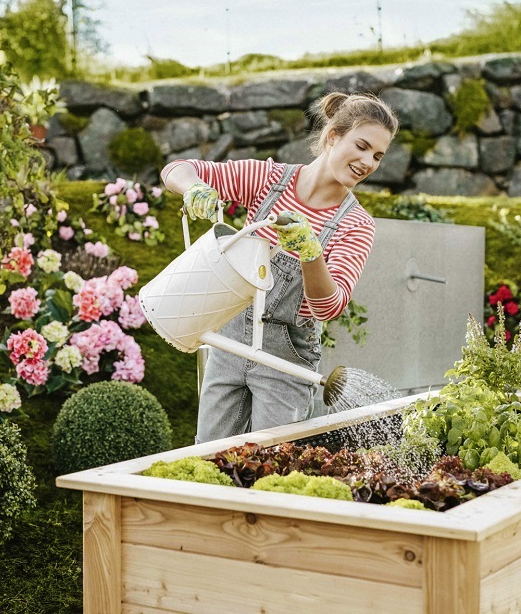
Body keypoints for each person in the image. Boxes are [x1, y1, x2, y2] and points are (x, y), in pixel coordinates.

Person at [161, 92, 398, 443]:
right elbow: (176, 170)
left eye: (377, 155)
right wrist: (194, 188)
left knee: (271, 464)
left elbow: (328, 306)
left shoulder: (355, 224)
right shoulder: (267, 180)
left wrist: (309, 252)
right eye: (361, 146)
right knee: (206, 454)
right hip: (230, 341)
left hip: (286, 359)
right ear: (333, 136)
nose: (368, 162)